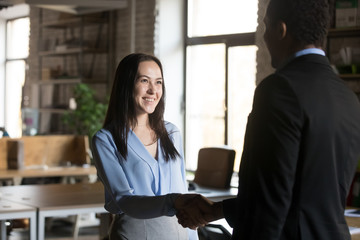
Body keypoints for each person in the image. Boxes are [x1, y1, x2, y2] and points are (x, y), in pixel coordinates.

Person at [176, 0, 360, 239]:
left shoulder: (279, 89)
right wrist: (217, 210)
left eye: (265, 27)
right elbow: (298, 194)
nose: (263, 37)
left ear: (280, 30)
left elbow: (270, 201)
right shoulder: (348, 97)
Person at [91, 53, 198, 240]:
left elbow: (182, 188)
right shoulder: (106, 140)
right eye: (144, 81)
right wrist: (174, 201)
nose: (153, 90)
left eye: (158, 82)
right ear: (126, 85)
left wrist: (192, 235)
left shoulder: (172, 133)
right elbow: (124, 200)